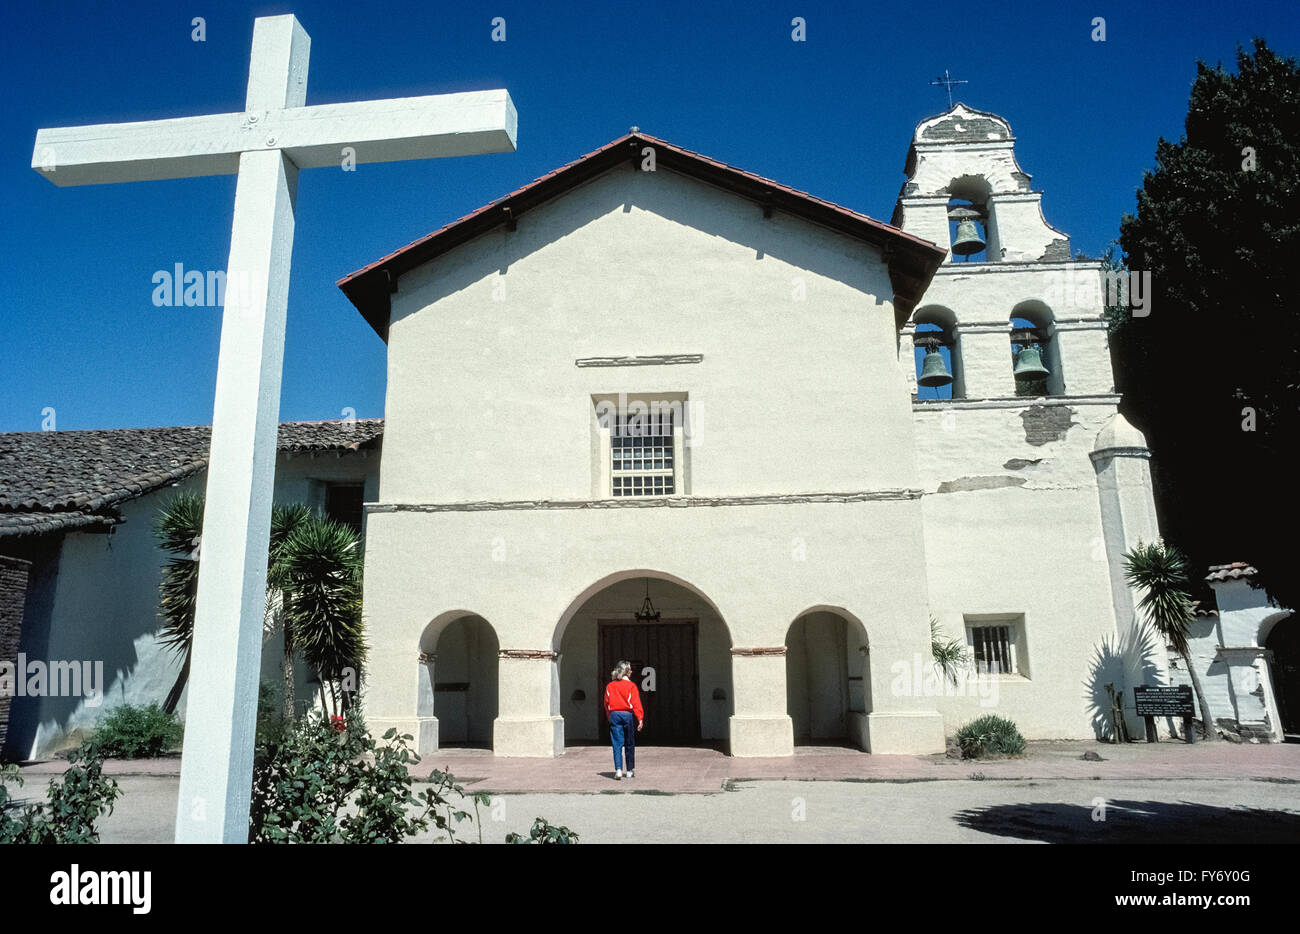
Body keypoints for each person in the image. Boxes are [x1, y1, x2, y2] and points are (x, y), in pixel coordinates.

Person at [603, 660, 644, 779]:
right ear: (626, 671)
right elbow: (636, 703)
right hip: (627, 715)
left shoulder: (610, 686)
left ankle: (618, 769)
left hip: (614, 715)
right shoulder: (631, 686)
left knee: (617, 744)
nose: (631, 671)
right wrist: (640, 718)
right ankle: (630, 770)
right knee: (629, 743)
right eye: (630, 669)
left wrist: (609, 716)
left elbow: (606, 703)